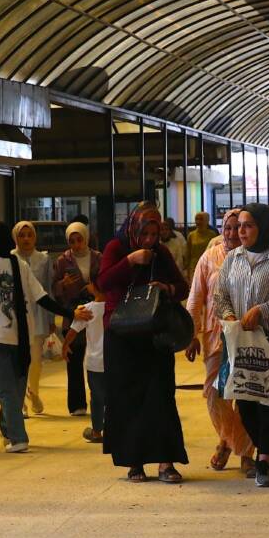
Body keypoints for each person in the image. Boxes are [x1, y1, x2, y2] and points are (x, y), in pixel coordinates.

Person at [0, 223, 88, 453]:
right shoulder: (19, 265)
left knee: (6, 390)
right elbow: (42, 298)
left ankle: (18, 437)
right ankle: (8, 429)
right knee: (13, 387)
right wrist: (69, 313)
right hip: (21, 337)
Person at [98, 203, 190, 483]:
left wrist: (167, 289)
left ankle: (166, 462)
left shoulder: (160, 253)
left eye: (155, 233)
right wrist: (130, 261)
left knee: (161, 396)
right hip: (122, 335)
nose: (150, 239)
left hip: (153, 335)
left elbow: (182, 286)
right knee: (128, 399)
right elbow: (102, 282)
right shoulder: (116, 247)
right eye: (146, 233)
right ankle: (134, 461)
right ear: (134, 228)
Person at [214, 203, 269, 488]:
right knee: (245, 402)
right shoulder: (232, 259)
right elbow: (220, 295)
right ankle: (265, 449)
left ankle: (263, 459)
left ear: (263, 228)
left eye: (248, 225)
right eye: (238, 226)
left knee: (268, 402)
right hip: (239, 344)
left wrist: (262, 310)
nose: (241, 231)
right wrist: (228, 314)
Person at [185, 208, 254, 474]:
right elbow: (195, 299)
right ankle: (229, 441)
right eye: (227, 228)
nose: (231, 233)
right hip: (215, 336)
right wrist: (191, 334)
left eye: (237, 228)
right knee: (215, 395)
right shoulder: (209, 257)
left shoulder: (254, 256)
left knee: (247, 395)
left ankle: (246, 453)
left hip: (248, 336)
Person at [53, 220, 101, 418]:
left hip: (96, 310)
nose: (76, 244)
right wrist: (62, 285)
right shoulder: (62, 261)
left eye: (79, 239)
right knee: (74, 360)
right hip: (73, 311)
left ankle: (101, 400)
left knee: (98, 359)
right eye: (72, 241)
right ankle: (77, 404)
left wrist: (95, 288)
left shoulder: (99, 257)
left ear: (86, 238)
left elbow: (107, 280)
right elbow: (53, 290)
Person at [13, 221, 55, 416]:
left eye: (30, 235)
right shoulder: (11, 258)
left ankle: (34, 392)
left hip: (38, 314)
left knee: (36, 360)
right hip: (15, 316)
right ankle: (20, 401)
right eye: (22, 235)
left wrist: (51, 318)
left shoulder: (44, 259)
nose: (26, 239)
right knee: (18, 360)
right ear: (15, 238)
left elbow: (48, 289)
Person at [63, 283, 106, 443]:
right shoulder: (116, 305)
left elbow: (73, 331)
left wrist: (65, 346)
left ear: (94, 287)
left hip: (94, 362)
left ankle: (96, 432)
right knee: (114, 396)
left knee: (97, 398)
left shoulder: (87, 309)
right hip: (114, 360)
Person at [185, 211, 219, 276]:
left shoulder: (212, 235)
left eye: (201, 219)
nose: (198, 222)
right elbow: (188, 253)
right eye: (196, 219)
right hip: (194, 267)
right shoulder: (191, 235)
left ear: (207, 220)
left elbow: (216, 252)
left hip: (209, 265)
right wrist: (187, 269)